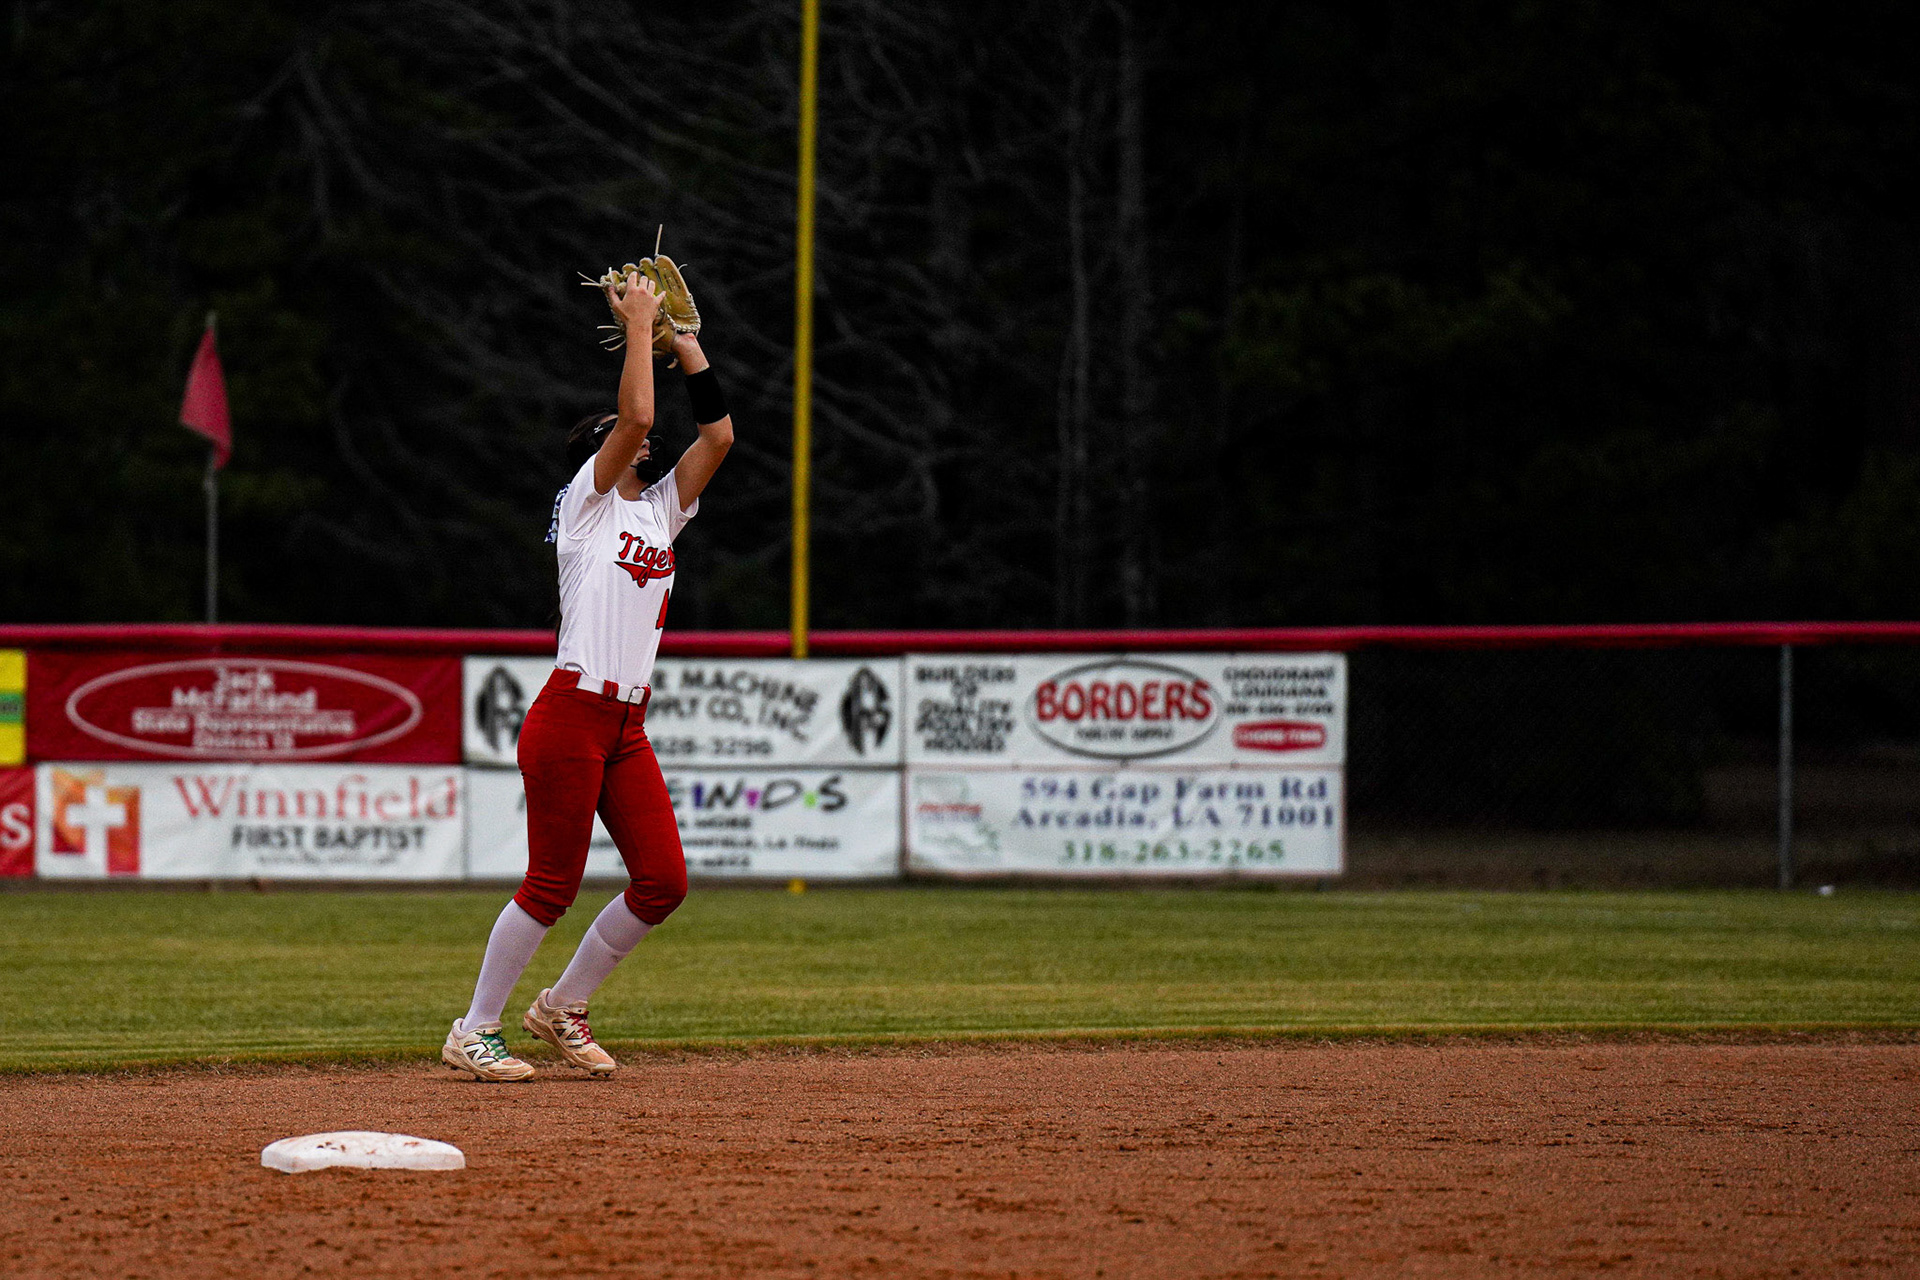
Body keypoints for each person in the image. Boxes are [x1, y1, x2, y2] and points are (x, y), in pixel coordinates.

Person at [443, 270, 734, 1081]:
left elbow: (718, 437)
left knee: (663, 881)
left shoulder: (660, 509)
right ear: (594, 458)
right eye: (614, 433)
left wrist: (684, 341)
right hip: (570, 714)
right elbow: (638, 413)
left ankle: (560, 1006)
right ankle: (474, 1028)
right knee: (551, 885)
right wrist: (638, 324)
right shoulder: (587, 506)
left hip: (625, 725)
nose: (638, 434)